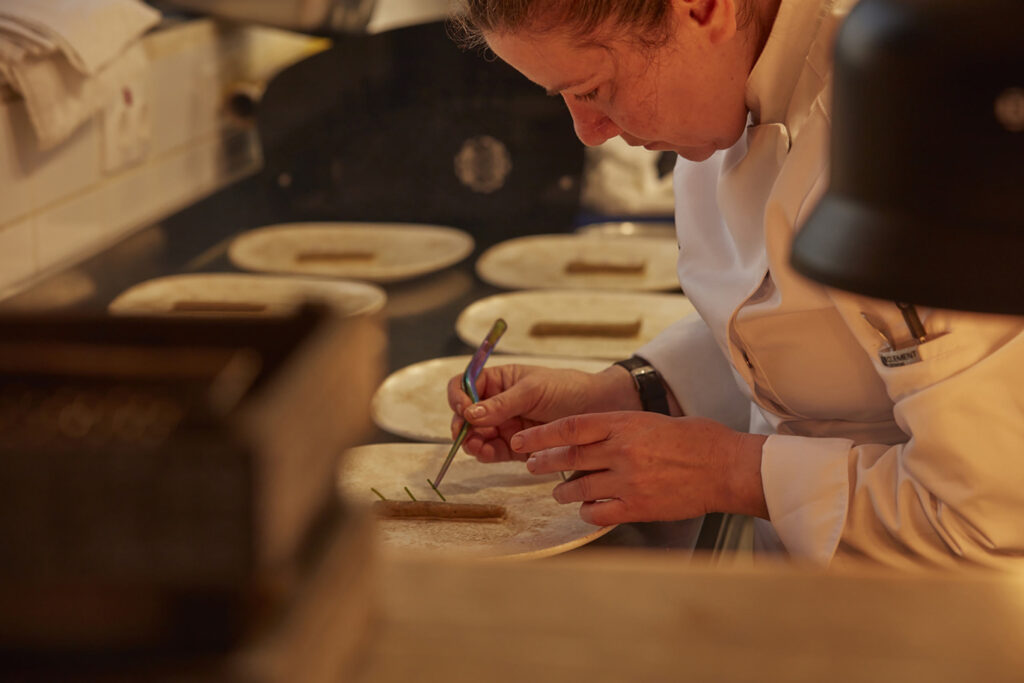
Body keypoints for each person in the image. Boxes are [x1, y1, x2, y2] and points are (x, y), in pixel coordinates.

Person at [445, 0, 1024, 569]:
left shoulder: (914, 118)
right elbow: (812, 330)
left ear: (702, 9)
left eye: (593, 90)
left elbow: (990, 521)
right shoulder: (718, 85)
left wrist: (731, 474)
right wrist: (635, 390)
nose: (588, 133)